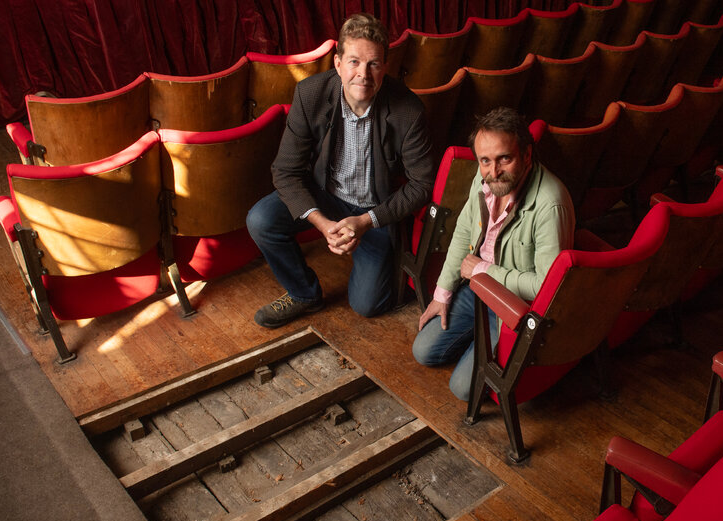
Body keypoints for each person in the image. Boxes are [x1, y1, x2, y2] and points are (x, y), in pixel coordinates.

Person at [246, 13, 435, 328]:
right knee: (260, 220)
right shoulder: (310, 94)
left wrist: (365, 221)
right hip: (325, 195)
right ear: (337, 63)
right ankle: (304, 294)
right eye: (354, 62)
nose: (363, 74)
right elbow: (285, 172)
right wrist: (322, 225)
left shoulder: (408, 110)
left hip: (374, 209)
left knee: (367, 306)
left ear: (385, 67)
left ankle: (384, 265)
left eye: (373, 64)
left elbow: (422, 184)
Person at [411, 107, 575, 400]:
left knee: (462, 389)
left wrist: (484, 271)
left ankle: (484, 343)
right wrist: (443, 293)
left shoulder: (551, 204)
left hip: (511, 306)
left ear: (526, 155)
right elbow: (463, 231)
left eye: (504, 159)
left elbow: (547, 288)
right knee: (423, 351)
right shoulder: (484, 176)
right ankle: (475, 340)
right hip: (477, 290)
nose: (493, 171)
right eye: (485, 160)